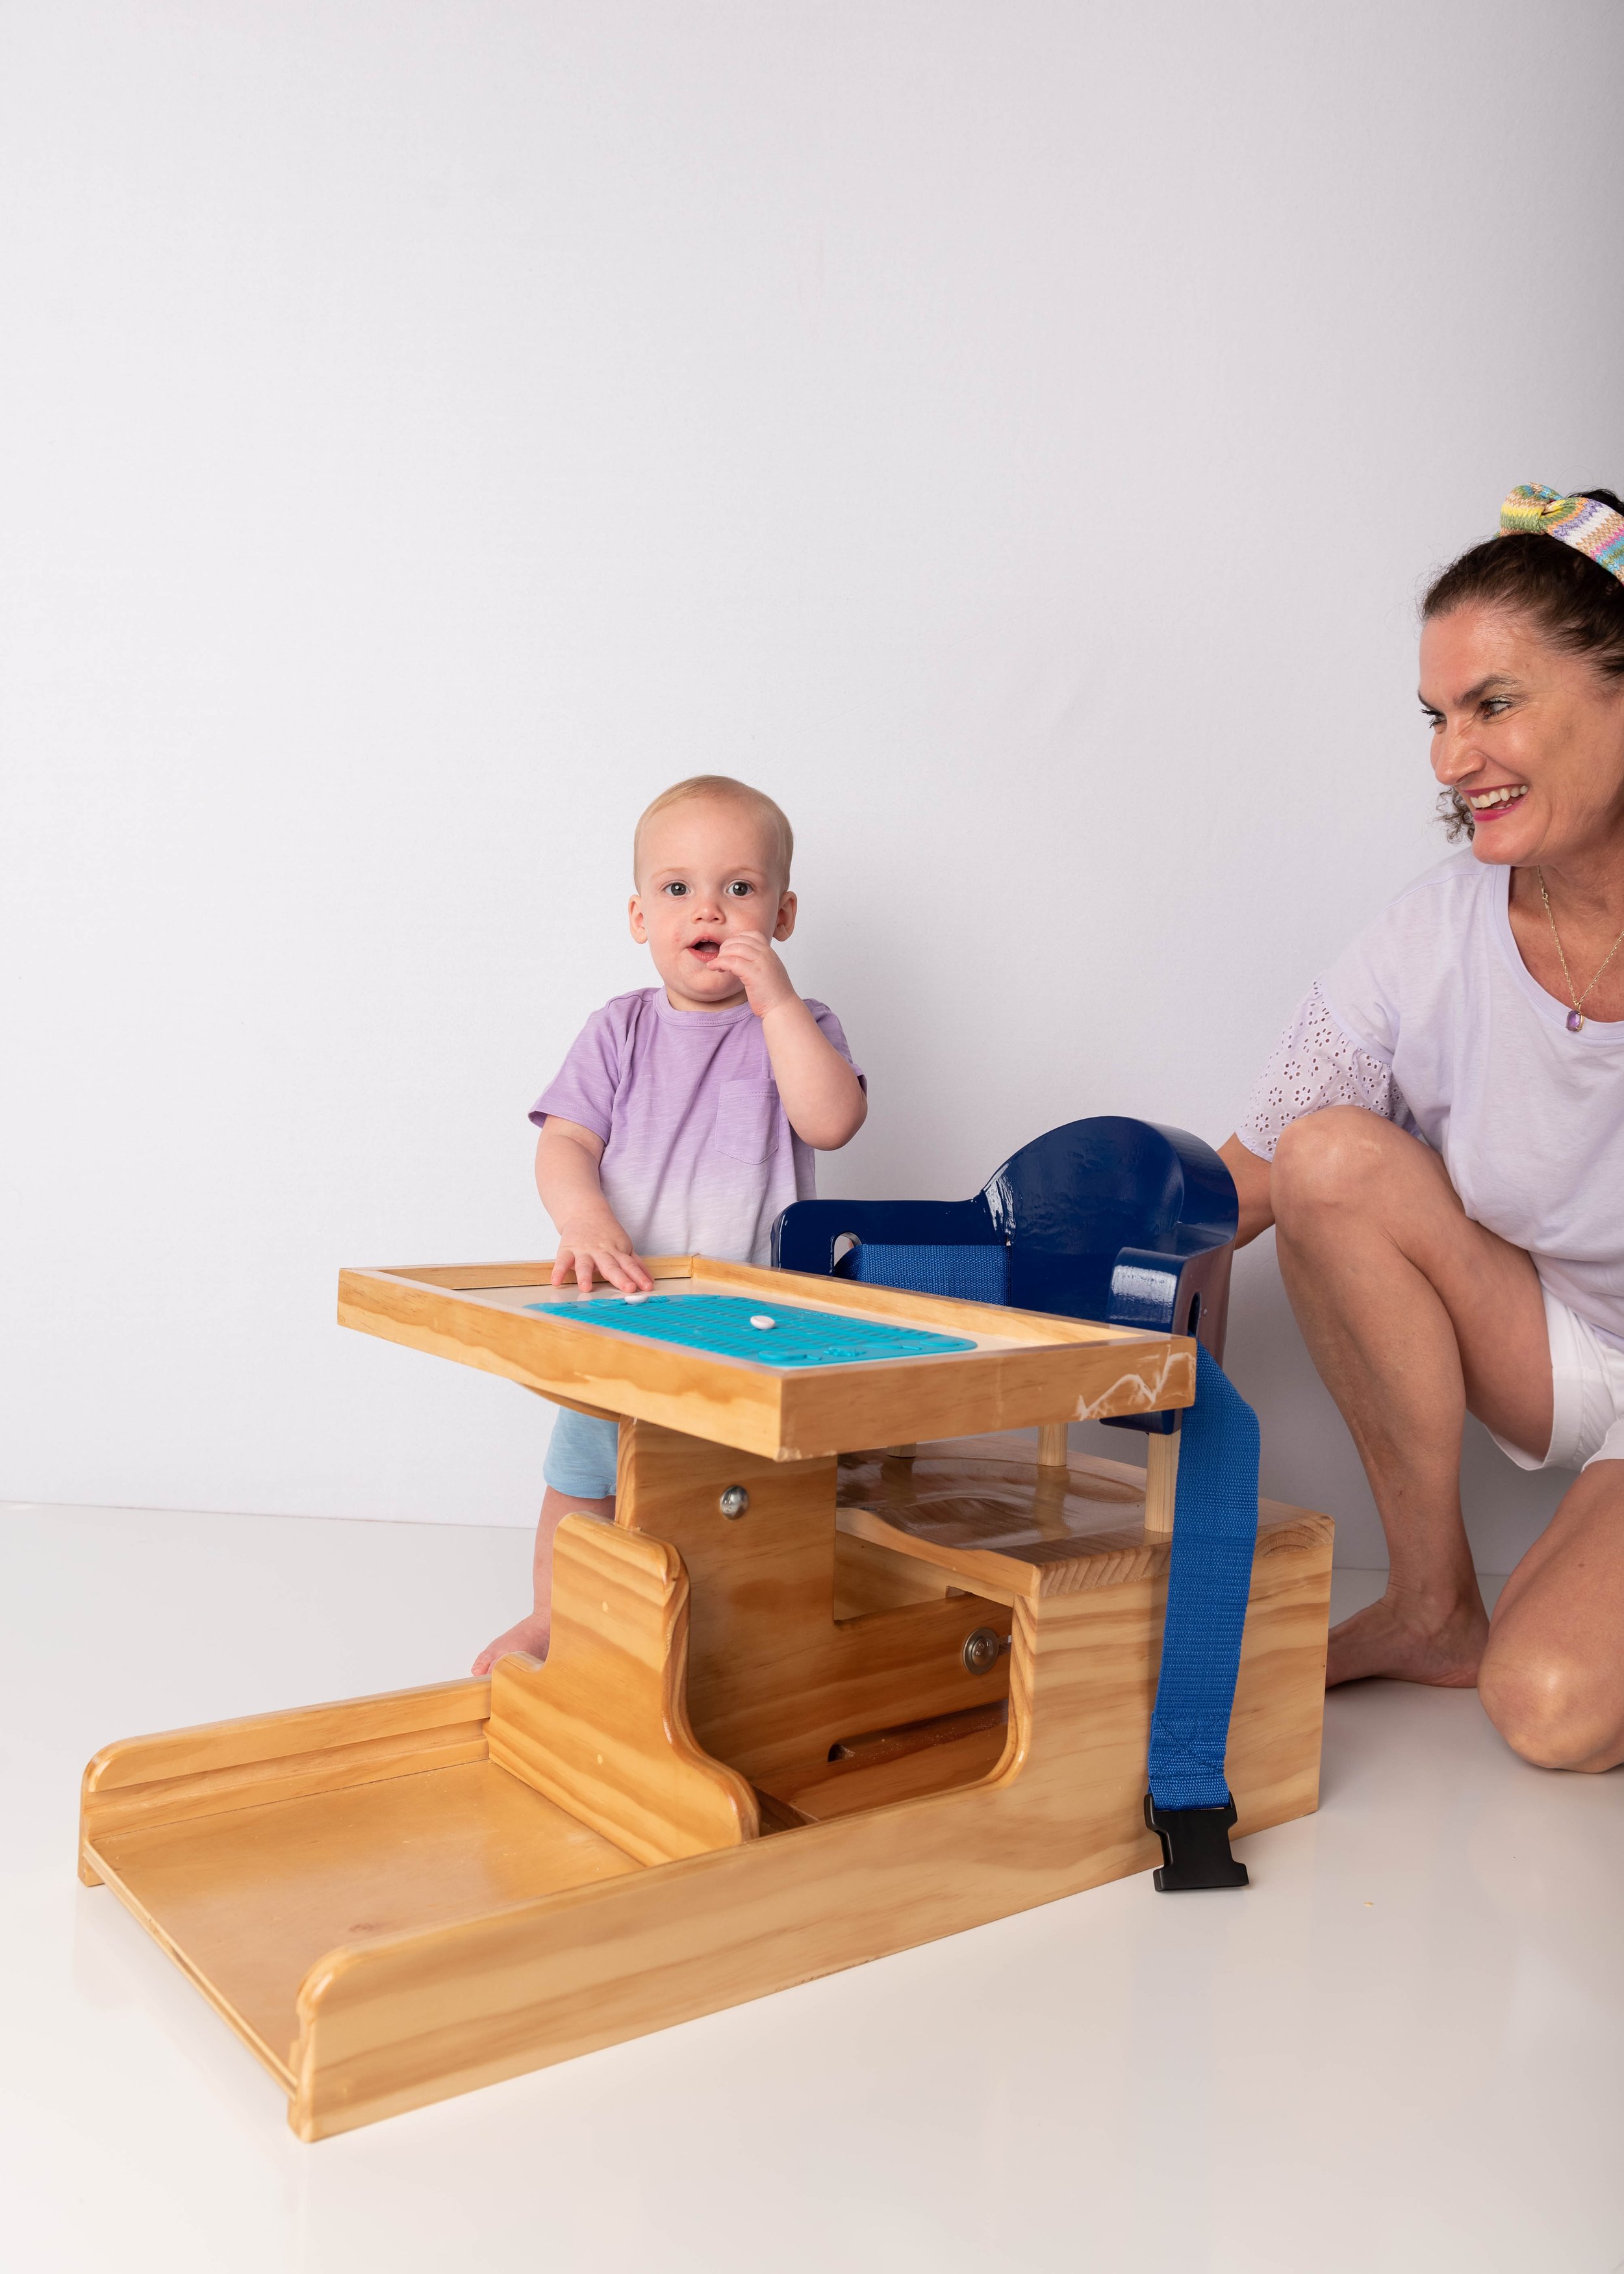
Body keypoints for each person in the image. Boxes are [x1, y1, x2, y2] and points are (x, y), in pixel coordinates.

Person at [1219, 484, 1624, 1774]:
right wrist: (989, 1263)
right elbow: (1257, 1168)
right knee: (1325, 1159)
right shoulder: (1432, 931)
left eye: (1492, 705)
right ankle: (1431, 1604)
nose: (1451, 761)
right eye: (1436, 718)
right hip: (1558, 1340)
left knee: (1555, 1706)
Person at [472, 774, 867, 1674]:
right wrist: (586, 1221)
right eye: (679, 888)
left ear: (784, 913)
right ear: (640, 917)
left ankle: (739, 1638)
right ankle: (554, 1614)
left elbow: (831, 1122)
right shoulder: (618, 1031)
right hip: (622, 1305)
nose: (712, 910)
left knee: (744, 1489)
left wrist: (776, 1006)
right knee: (584, 1472)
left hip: (755, 1329)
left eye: (740, 888)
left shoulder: (801, 1026)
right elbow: (564, 1144)